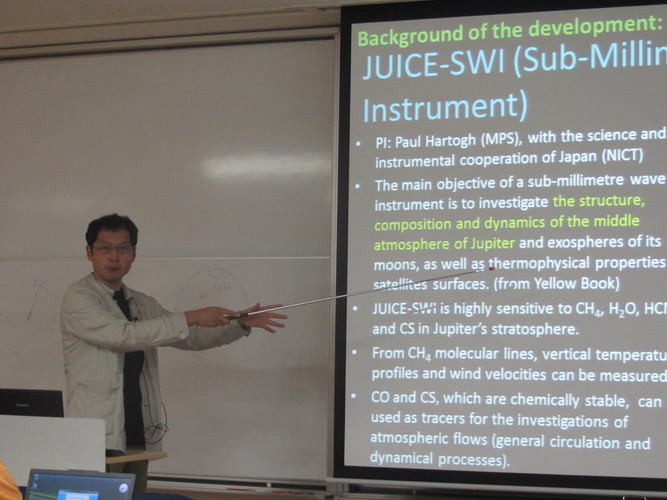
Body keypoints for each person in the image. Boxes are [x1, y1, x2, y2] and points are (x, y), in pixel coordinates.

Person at [60, 213, 287, 493]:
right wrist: (191, 316)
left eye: (123, 248)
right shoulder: (78, 297)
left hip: (136, 430)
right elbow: (121, 335)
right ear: (89, 253)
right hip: (96, 433)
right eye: (105, 248)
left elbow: (190, 337)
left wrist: (239, 324)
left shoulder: (141, 302)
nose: (114, 256)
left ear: (133, 254)